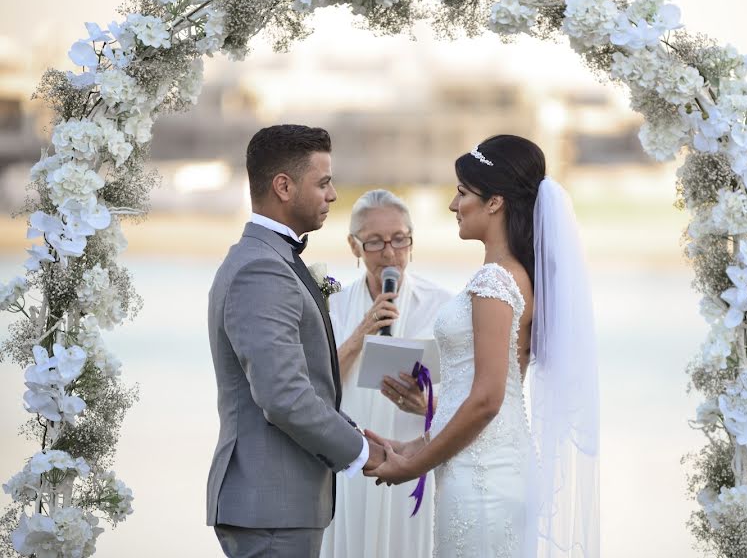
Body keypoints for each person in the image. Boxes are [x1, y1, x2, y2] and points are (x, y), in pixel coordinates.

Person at [366, 135, 601, 558]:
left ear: (494, 202)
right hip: (493, 469)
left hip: (483, 482)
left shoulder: (495, 282)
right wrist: (407, 447)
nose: (453, 205)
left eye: (461, 193)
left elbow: (488, 398)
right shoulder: (515, 277)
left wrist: (414, 467)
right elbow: (493, 394)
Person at [206, 125, 385, 558]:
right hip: (270, 511)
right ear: (283, 186)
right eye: (322, 182)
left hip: (279, 507)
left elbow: (305, 384)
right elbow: (284, 395)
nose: (333, 195)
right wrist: (362, 453)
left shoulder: (274, 258)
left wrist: (357, 433)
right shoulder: (261, 271)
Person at [320, 189, 452, 558]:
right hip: (352, 460)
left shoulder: (443, 306)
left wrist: (426, 403)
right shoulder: (333, 305)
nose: (390, 254)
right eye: (375, 242)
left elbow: (469, 400)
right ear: (354, 246)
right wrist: (361, 332)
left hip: (413, 459)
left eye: (399, 240)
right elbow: (317, 386)